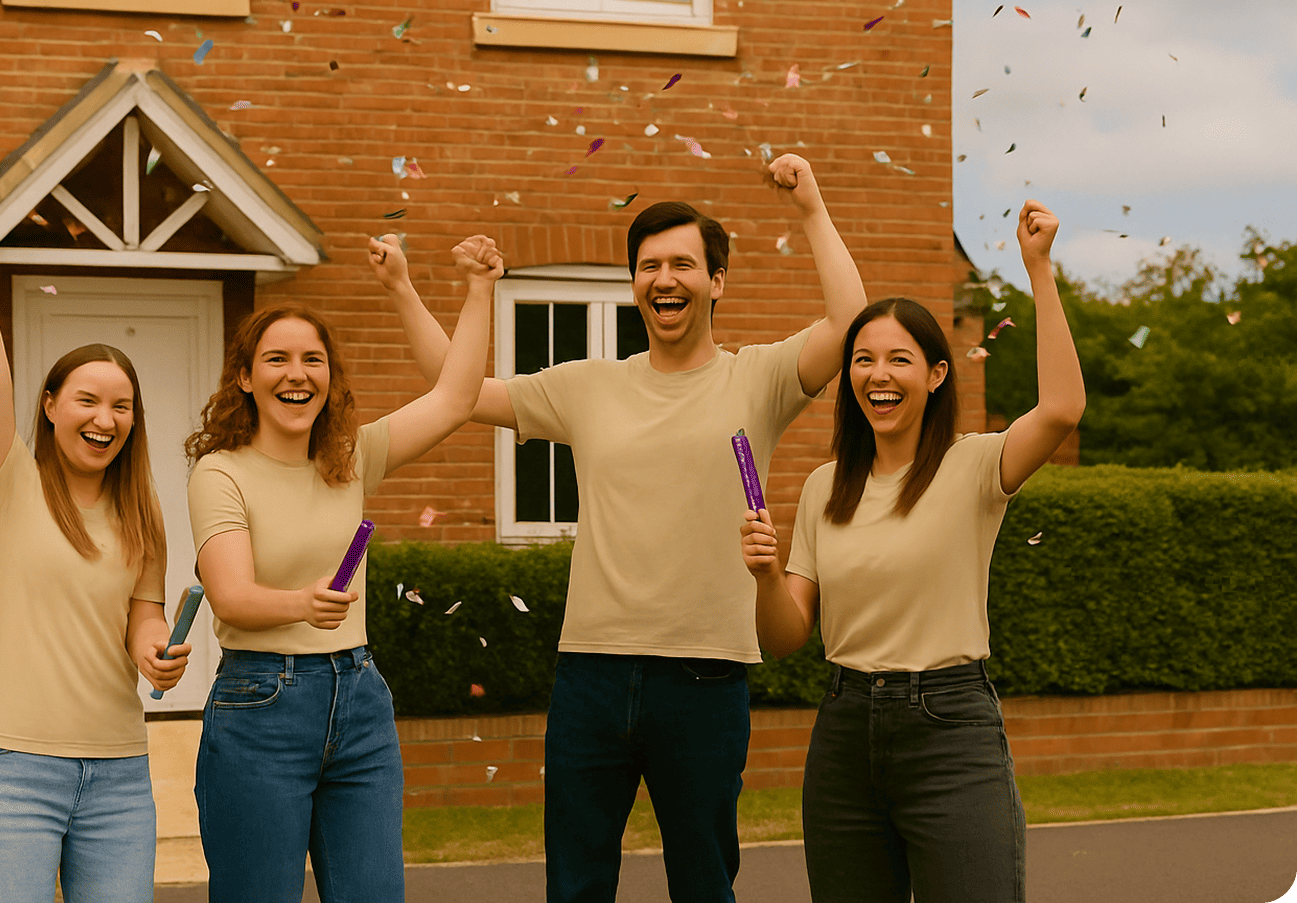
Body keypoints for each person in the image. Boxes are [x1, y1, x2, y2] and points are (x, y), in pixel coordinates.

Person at [370, 156, 866, 903]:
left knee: (703, 884)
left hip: (702, 677)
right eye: (647, 267)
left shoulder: (755, 379)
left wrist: (810, 207)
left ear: (716, 282)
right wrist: (407, 290)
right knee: (575, 884)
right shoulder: (588, 385)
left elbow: (848, 321)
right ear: (634, 284)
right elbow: (458, 391)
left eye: (682, 264)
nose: (663, 279)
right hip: (591, 676)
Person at [743, 199, 1084, 903]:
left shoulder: (973, 467)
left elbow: (1060, 410)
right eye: (862, 360)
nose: (877, 375)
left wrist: (1038, 270)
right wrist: (765, 575)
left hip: (949, 730)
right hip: (842, 735)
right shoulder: (821, 489)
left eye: (899, 359)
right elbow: (784, 639)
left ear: (933, 376)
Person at [186, 235, 503, 903]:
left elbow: (455, 397)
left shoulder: (350, 458)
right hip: (260, 705)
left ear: (329, 376)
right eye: (276, 359)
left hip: (358, 702)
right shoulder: (221, 473)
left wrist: (476, 290)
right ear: (245, 376)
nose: (296, 373)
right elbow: (233, 597)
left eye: (312, 360)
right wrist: (301, 604)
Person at [0, 180, 192, 903]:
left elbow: (143, 610)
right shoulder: (4, 480)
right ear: (49, 408)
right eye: (86, 399)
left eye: (120, 405)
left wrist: (153, 648)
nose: (103, 417)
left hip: (118, 772)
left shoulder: (142, 512)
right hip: (17, 768)